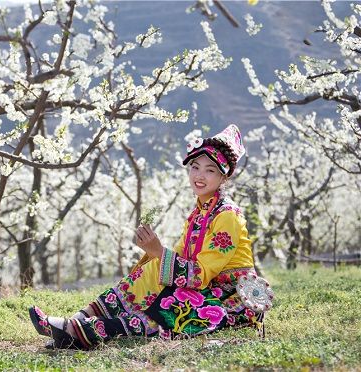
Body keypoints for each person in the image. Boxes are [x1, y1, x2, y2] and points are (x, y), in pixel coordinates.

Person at [28, 124, 271, 349]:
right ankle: (77, 321)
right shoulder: (200, 212)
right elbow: (180, 260)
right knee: (154, 269)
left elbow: (200, 275)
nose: (199, 175)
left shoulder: (227, 216)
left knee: (164, 313)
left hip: (230, 299)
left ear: (223, 177)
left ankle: (77, 332)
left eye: (210, 170)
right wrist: (156, 255)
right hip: (205, 289)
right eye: (195, 167)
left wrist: (159, 252)